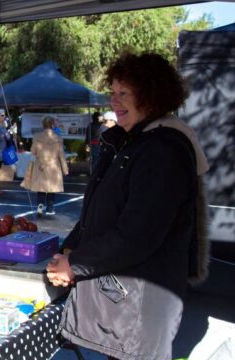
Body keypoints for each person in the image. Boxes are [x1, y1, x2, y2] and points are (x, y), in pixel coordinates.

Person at [46, 52, 209, 360]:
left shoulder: (163, 150)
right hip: (123, 301)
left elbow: (137, 234)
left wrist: (75, 264)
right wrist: (71, 249)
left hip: (140, 308)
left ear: (151, 96)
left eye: (124, 94)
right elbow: (99, 212)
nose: (114, 102)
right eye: (113, 93)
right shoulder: (132, 140)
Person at [21, 115, 68, 215]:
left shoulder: (37, 137)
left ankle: (40, 206)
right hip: (54, 166)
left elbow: (33, 151)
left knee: (41, 187)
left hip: (40, 165)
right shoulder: (58, 138)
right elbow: (61, 155)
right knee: (52, 188)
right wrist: (65, 169)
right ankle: (50, 209)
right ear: (52, 124)